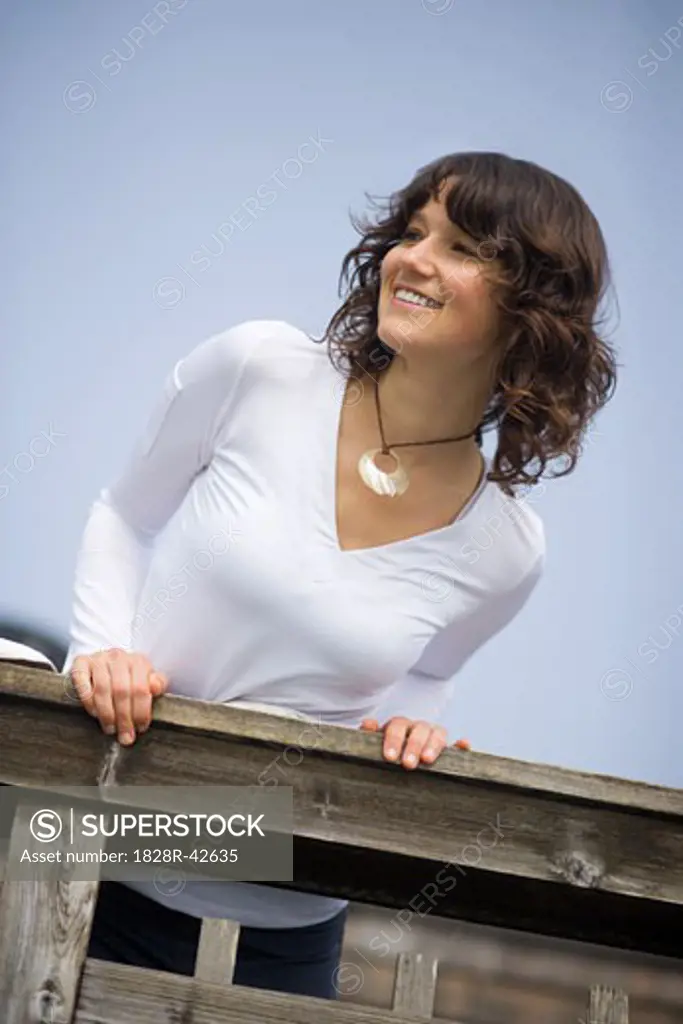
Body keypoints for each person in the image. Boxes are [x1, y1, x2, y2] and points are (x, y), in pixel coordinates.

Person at [62, 151, 617, 1000]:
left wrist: (406, 731)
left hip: (287, 935)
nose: (414, 258)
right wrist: (100, 650)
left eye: (464, 247)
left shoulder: (507, 548)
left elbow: (430, 672)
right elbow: (122, 512)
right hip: (95, 868)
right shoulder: (259, 367)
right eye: (412, 231)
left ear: (532, 311)